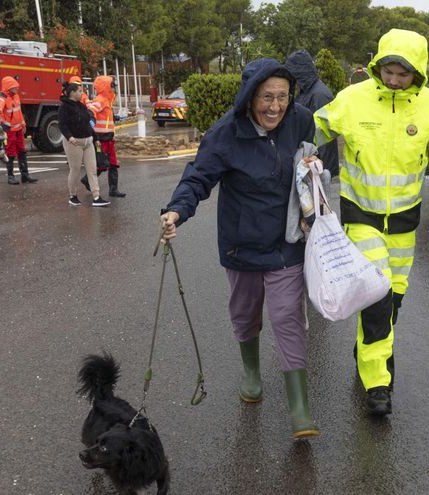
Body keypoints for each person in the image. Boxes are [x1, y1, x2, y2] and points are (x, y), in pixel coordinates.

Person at [159, 58, 320, 439]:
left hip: (286, 244)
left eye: (282, 96)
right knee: (246, 313)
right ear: (250, 97)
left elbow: (315, 156)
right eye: (266, 97)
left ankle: (299, 407)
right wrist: (175, 211)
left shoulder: (300, 120)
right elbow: (198, 177)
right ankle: (250, 371)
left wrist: (313, 175)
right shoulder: (225, 133)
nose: (275, 107)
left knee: (288, 318)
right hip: (241, 245)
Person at [313, 29, 429, 416]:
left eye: (404, 74)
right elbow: (314, 130)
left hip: (403, 221)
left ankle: (368, 349)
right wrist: (298, 152)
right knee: (377, 294)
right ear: (378, 66)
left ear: (419, 72)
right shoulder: (352, 99)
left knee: (392, 298)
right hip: (360, 216)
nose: (394, 80)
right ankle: (378, 382)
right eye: (389, 71)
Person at [285, 50, 340, 177]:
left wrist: (319, 168)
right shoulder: (307, 91)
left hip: (317, 166)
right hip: (310, 161)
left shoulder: (319, 95)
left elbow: (323, 137)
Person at [59, 81, 109, 207]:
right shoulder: (64, 107)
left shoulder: (81, 106)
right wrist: (69, 137)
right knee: (75, 170)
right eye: (80, 91)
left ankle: (96, 197)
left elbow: (88, 123)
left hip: (88, 141)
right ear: (72, 93)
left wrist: (95, 137)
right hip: (75, 143)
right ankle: (73, 195)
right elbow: (62, 124)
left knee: (92, 169)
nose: (82, 93)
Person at [86, 76, 126, 197]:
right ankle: (87, 180)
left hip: (109, 138)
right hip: (100, 139)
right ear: (106, 87)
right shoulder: (100, 100)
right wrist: (91, 122)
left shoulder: (107, 100)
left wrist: (115, 117)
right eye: (112, 86)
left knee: (113, 164)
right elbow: (91, 112)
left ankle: (113, 190)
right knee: (102, 164)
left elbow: (106, 117)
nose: (114, 89)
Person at [0, 76, 37, 185]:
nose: (17, 89)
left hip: (18, 129)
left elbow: (18, 112)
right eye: (14, 87)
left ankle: (25, 175)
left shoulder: (16, 96)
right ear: (8, 88)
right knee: (11, 152)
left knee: (21, 151)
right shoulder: (2, 97)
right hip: (10, 130)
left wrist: (23, 125)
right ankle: (10, 176)